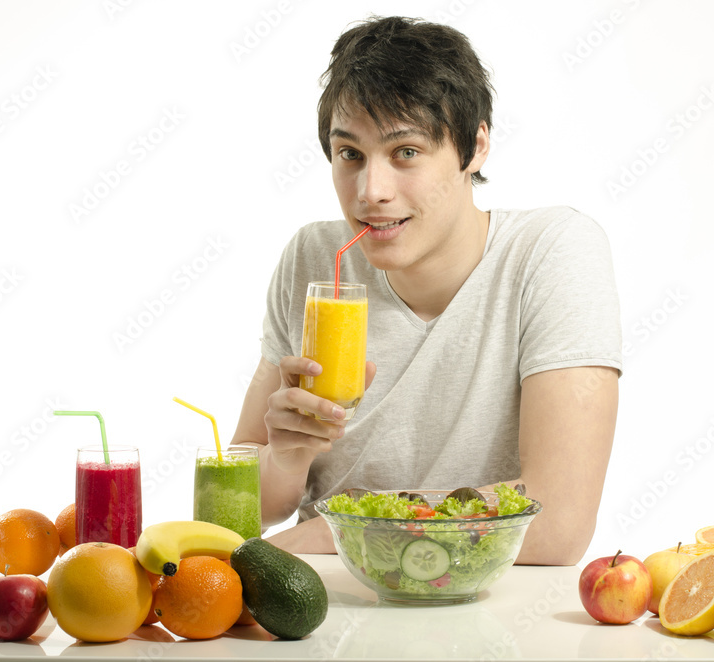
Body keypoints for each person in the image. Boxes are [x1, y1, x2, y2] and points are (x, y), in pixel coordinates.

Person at [230, 15, 621, 566]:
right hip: (323, 607)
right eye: (351, 155)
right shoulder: (315, 260)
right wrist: (288, 460)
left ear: (475, 145)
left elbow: (557, 522)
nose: (371, 192)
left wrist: (343, 532)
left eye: (406, 152)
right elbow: (241, 510)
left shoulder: (551, 251)